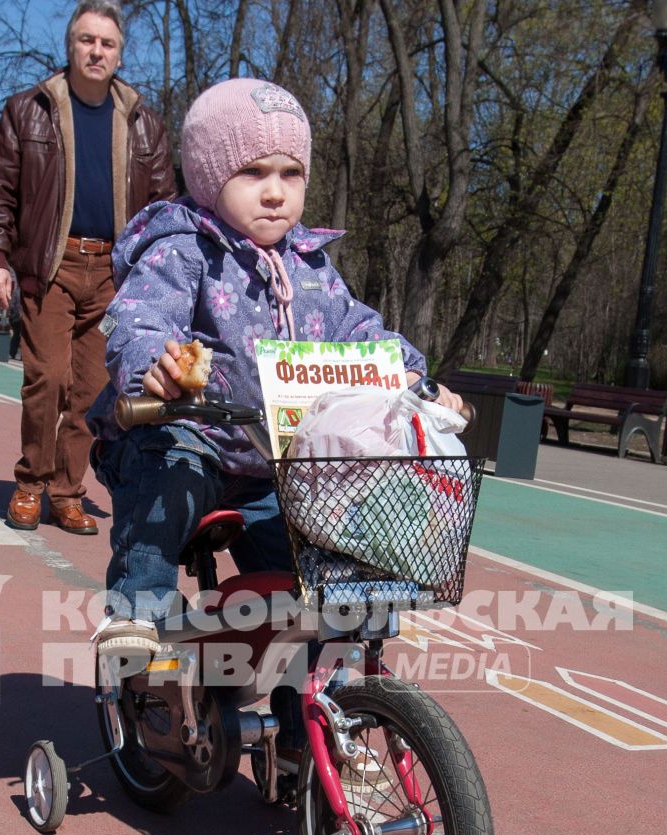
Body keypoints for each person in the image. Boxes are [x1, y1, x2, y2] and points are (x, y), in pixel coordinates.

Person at [85, 78, 464, 657]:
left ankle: (309, 731)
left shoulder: (311, 266)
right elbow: (138, 316)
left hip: (271, 460)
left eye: (291, 174)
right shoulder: (183, 249)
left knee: (313, 586)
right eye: (253, 172)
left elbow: (361, 331)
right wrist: (152, 367)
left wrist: (414, 378)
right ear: (212, 178)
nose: (274, 193)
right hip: (192, 434)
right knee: (170, 470)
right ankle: (139, 610)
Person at [0, 0, 176, 536]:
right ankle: (30, 483)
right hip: (52, 264)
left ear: (119, 55)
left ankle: (67, 491)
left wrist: (159, 274)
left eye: (107, 44)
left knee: (91, 390)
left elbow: (164, 206)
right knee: (47, 377)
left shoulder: (143, 124)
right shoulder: (29, 110)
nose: (96, 51)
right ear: (71, 46)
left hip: (114, 273)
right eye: (87, 40)